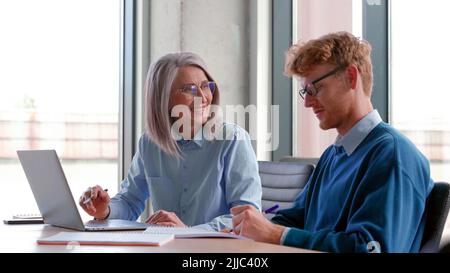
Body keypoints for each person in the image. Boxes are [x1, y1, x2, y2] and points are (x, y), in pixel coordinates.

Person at [230, 31, 434, 252]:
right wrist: (251, 227)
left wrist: (275, 234)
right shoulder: (333, 154)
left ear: (351, 77)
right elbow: (296, 220)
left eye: (314, 88)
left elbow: (372, 249)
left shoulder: (392, 155)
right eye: (304, 92)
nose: (307, 102)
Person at [79, 52, 262, 230]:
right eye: (189, 89)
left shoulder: (232, 140)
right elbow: (130, 201)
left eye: (206, 86)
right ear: (164, 98)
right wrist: (105, 210)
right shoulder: (149, 143)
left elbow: (247, 216)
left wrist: (190, 232)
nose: (203, 97)